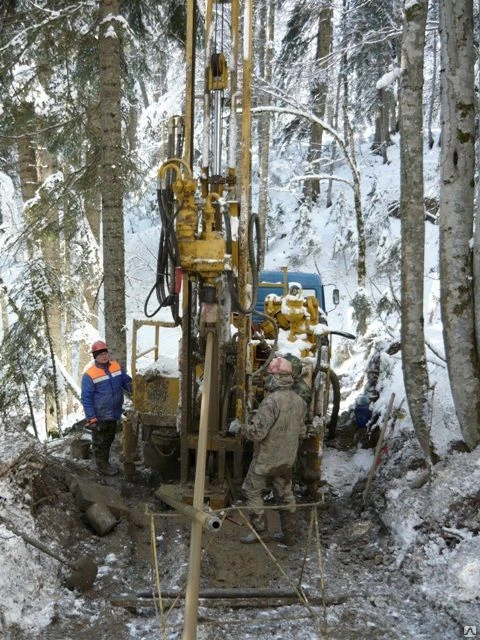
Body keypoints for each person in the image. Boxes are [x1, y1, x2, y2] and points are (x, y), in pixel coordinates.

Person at [240, 356, 306, 545]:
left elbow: (257, 434)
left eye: (269, 375)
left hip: (266, 460)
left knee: (251, 490)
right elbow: (301, 432)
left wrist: (241, 427)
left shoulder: (271, 402)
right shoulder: (299, 401)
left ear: (276, 377)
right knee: (285, 495)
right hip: (286, 460)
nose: (267, 378)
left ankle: (260, 532)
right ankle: (290, 536)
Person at [81, 340, 132, 476]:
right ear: (95, 357)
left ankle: (104, 462)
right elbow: (86, 398)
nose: (104, 356)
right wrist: (91, 418)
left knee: (109, 439)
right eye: (100, 354)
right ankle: (102, 466)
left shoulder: (115, 367)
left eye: (105, 353)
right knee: (100, 442)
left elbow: (126, 381)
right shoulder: (89, 375)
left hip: (114, 412)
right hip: (100, 415)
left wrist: (133, 387)